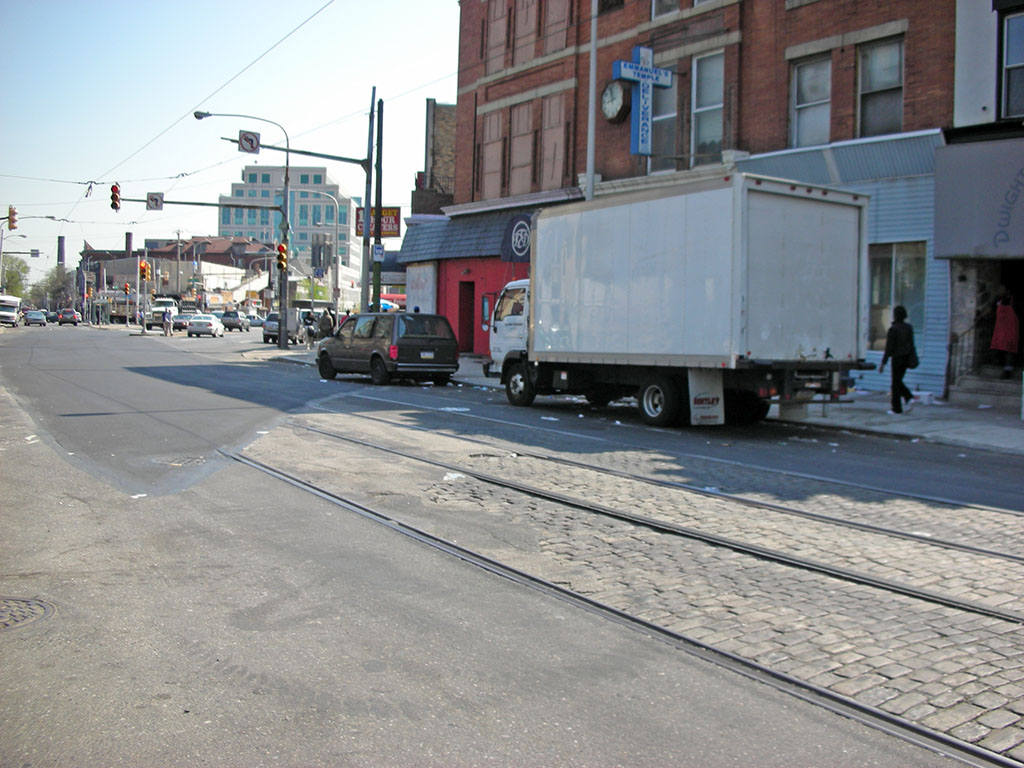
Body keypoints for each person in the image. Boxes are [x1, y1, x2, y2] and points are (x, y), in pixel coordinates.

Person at [878, 305, 915, 415]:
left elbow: (889, 348)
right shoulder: (908, 328)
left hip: (897, 358)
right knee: (898, 381)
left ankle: (898, 407)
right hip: (906, 357)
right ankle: (906, 399)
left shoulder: (893, 329)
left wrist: (883, 363)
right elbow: (911, 344)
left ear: (895, 315)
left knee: (895, 383)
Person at [990, 285, 1019, 380]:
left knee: (1009, 348)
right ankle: (999, 364)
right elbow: (992, 312)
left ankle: (1008, 370)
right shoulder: (997, 301)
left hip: (1011, 328)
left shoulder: (1012, 300)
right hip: (1000, 328)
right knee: (999, 347)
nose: (999, 291)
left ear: (1007, 290)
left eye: (1001, 289)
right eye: (998, 289)